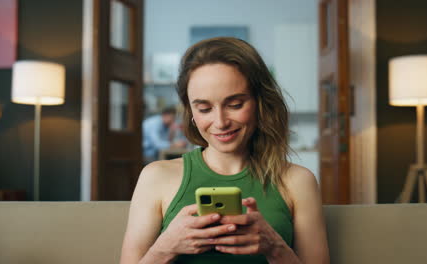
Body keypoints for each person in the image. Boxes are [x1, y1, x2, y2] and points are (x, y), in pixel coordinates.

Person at [121, 37, 329, 264]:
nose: (220, 122)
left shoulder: (298, 180)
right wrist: (165, 248)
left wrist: (274, 247)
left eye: (235, 105)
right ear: (191, 111)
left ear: (260, 103)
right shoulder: (155, 177)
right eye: (204, 108)